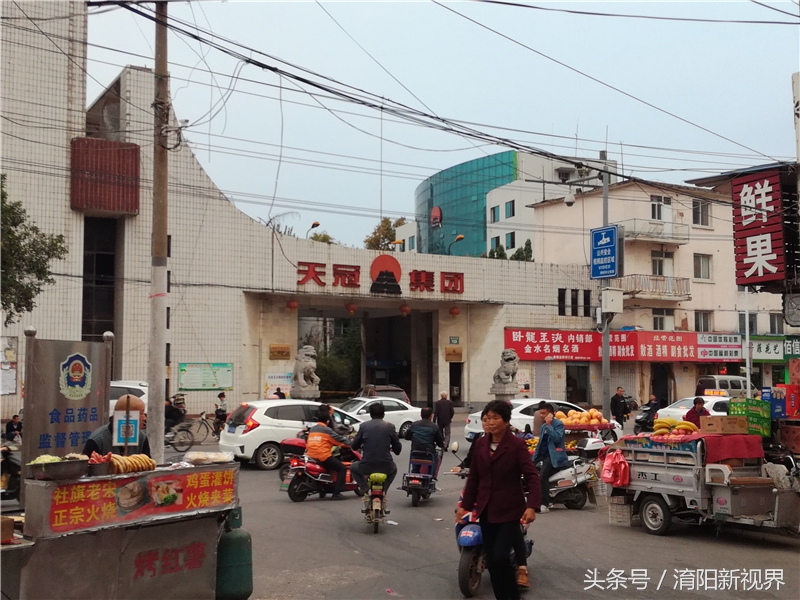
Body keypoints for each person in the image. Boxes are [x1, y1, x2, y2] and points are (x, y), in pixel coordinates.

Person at [455, 400, 540, 600]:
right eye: (486, 419)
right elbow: (474, 477)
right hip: (485, 510)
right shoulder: (481, 443)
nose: (489, 423)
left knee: (501, 557)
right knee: (492, 561)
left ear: (505, 421)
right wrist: (464, 507)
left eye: (494, 418)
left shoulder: (516, 445)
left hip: (510, 510)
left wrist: (532, 506)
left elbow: (532, 476)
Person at [350, 403, 402, 498]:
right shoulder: (390, 427)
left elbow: (354, 446)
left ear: (370, 414)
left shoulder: (364, 426)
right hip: (386, 466)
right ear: (383, 414)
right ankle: (384, 490)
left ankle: (364, 487)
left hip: (366, 466)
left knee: (353, 467)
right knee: (394, 469)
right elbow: (397, 448)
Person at [306, 406, 352, 500]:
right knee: (342, 468)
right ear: (327, 421)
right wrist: (351, 443)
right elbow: (338, 439)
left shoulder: (313, 429)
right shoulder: (327, 430)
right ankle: (337, 493)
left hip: (311, 455)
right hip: (323, 456)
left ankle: (323, 490)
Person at [82, 395, 150, 457]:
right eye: (141, 413)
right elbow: (87, 468)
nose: (144, 418)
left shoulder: (142, 438)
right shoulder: (97, 440)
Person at [531, 403, 568, 514]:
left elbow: (557, 439)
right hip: (543, 456)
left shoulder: (558, 424)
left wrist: (549, 425)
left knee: (543, 476)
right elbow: (540, 445)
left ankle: (544, 504)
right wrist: (534, 458)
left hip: (554, 457)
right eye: (540, 413)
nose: (542, 416)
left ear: (551, 414)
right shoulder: (543, 427)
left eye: (544, 413)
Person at [404, 407, 444, 478]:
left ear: (421, 415)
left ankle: (414, 474)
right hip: (428, 454)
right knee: (435, 459)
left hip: (415, 453)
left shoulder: (414, 425)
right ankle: (431, 476)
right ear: (431, 416)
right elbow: (440, 443)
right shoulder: (434, 427)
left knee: (415, 467)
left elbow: (407, 437)